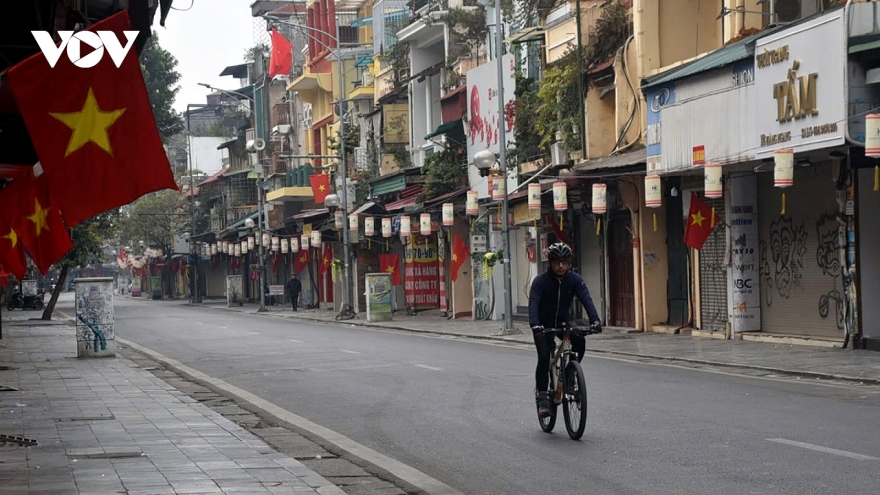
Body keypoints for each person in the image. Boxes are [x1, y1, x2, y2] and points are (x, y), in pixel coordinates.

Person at [528, 242, 602, 418]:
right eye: (557, 262)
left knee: (579, 341)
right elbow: (533, 304)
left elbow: (586, 299)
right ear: (550, 263)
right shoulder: (540, 282)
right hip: (543, 325)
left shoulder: (575, 280)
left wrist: (595, 320)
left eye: (564, 262)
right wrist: (535, 324)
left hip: (564, 322)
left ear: (569, 263)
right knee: (545, 357)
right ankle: (543, 396)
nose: (561, 266)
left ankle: (569, 375)